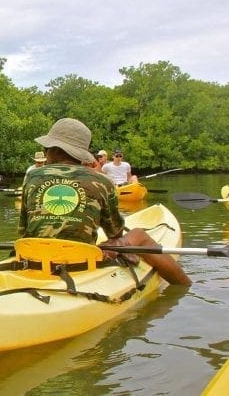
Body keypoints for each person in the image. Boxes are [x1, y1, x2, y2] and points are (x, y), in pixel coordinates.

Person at [19, 118, 190, 285]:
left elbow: (24, 231)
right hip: (80, 261)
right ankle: (184, 288)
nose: (45, 152)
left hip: (34, 256)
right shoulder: (102, 181)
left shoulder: (31, 177)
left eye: (46, 148)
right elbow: (114, 234)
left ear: (55, 151)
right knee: (138, 234)